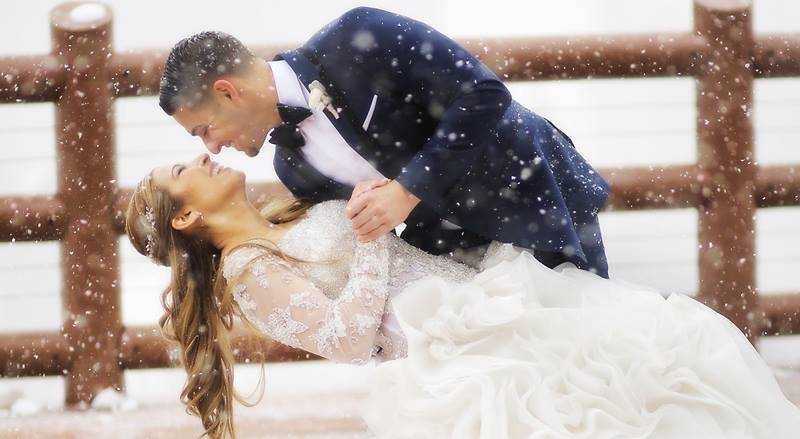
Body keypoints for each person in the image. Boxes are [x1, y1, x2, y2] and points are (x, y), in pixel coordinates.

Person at [126, 154, 800, 439]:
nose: (203, 154)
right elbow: (349, 336)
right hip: (452, 349)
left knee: (655, 362)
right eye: (183, 166)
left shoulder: (285, 214)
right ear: (186, 214)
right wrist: (371, 236)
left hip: (489, 298)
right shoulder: (247, 271)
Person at [158, 6, 611, 279]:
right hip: (458, 265)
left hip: (529, 195)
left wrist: (407, 189)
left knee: (591, 367)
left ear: (226, 92)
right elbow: (370, 247)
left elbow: (484, 95)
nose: (211, 148)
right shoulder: (292, 168)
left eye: (203, 130)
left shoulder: (359, 37)